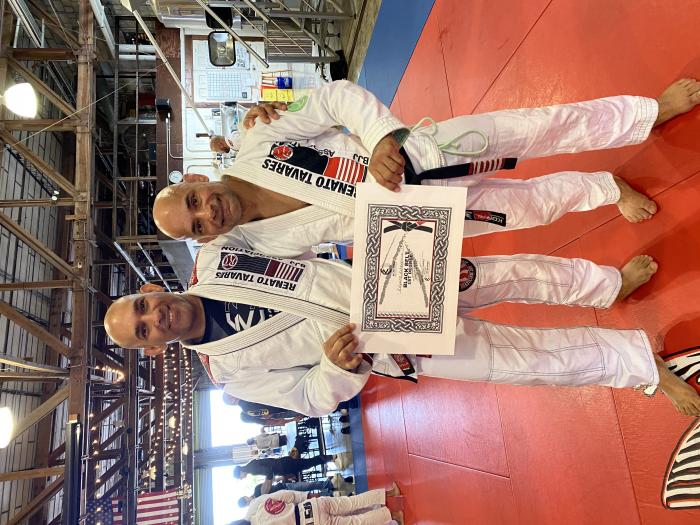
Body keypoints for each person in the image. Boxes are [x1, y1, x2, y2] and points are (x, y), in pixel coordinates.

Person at [103, 239, 700, 417]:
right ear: (153, 350)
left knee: (506, 273)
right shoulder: (229, 374)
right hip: (387, 348)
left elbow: (283, 211)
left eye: (143, 307)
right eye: (145, 331)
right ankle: (639, 366)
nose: (156, 318)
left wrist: (269, 127)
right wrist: (335, 370)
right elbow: (309, 397)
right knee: (521, 361)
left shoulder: (217, 256)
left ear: (150, 288)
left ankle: (605, 285)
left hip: (387, 277)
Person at [151, 79, 700, 257]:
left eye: (194, 201)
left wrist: (380, 138)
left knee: (536, 127)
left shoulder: (258, 136)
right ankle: (606, 188)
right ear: (204, 238)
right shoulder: (257, 247)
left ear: (196, 179)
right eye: (196, 226)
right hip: (411, 221)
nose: (207, 214)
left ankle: (646, 113)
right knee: (527, 209)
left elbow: (335, 97)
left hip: (419, 153)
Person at [232, 482, 403, 525]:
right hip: (309, 506)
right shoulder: (260, 508)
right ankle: (391, 493)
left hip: (312, 523)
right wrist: (307, 495)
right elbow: (286, 494)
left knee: (355, 522)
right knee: (353, 502)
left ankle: (395, 516)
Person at [233, 453, 337, 481]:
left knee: (308, 463)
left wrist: (269, 481)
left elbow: (268, 471)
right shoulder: (250, 465)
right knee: (307, 464)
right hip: (283, 464)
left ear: (240, 472)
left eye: (240, 477)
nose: (241, 478)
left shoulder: (251, 469)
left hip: (284, 466)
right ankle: (329, 458)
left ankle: (330, 457)